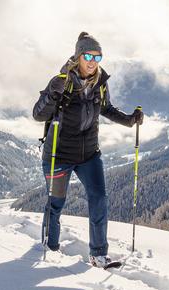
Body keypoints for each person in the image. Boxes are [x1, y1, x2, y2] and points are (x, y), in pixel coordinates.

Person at [32, 32, 143, 267]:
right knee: (56, 203)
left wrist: (130, 120)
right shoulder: (60, 81)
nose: (93, 61)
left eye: (98, 57)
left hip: (89, 154)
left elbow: (107, 108)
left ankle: (98, 254)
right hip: (58, 154)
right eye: (89, 55)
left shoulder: (100, 83)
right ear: (78, 56)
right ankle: (50, 247)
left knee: (99, 199)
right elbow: (38, 114)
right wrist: (53, 94)